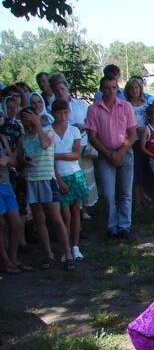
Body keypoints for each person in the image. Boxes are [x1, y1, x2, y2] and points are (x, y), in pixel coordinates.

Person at [18, 107, 74, 270]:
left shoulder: (48, 132)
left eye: (31, 124)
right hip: (32, 181)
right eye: (26, 125)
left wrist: (37, 125)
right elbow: (18, 161)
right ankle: (48, 254)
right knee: (39, 219)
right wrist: (23, 162)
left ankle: (68, 254)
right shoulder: (23, 139)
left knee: (56, 219)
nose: (29, 129)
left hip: (47, 180)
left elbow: (44, 144)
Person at [86, 75, 137, 239]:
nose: (111, 91)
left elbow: (132, 133)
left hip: (125, 152)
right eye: (107, 88)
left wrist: (121, 153)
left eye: (114, 88)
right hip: (105, 154)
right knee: (108, 194)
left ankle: (124, 226)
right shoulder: (94, 109)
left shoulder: (126, 106)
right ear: (101, 89)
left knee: (125, 192)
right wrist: (109, 154)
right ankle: (111, 226)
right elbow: (92, 137)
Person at [51, 99, 89, 262]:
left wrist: (56, 155)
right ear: (53, 113)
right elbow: (49, 161)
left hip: (75, 174)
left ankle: (75, 246)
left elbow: (75, 154)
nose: (62, 115)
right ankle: (65, 248)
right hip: (59, 176)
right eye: (59, 112)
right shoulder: (48, 132)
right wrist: (59, 180)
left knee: (75, 213)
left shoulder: (74, 130)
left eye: (65, 112)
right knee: (64, 216)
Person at [54, 80, 98, 214]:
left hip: (82, 143)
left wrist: (82, 126)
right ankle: (75, 209)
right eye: (57, 90)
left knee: (84, 177)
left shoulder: (79, 104)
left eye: (62, 88)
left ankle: (84, 208)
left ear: (67, 88)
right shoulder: (54, 106)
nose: (60, 92)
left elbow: (89, 122)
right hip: (63, 147)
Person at [0, 131, 31, 274]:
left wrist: (6, 155)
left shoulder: (2, 138)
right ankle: (5, 261)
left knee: (17, 224)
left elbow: (14, 162)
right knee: (1, 225)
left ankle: (13, 259)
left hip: (6, 186)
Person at [125, 76, 154, 211]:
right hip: (133, 141)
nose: (134, 90)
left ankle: (151, 198)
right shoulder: (125, 105)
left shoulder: (147, 103)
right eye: (131, 88)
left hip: (147, 140)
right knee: (136, 172)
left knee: (149, 170)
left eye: (137, 87)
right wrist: (135, 129)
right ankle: (138, 203)